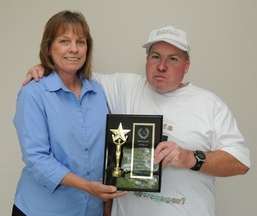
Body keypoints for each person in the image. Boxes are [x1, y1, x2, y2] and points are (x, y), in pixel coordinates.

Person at [23, 26, 250, 216]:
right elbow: (71, 70)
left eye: (173, 59)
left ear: (186, 66)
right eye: (155, 57)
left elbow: (240, 162)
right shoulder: (124, 87)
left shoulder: (209, 104)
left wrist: (191, 158)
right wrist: (45, 67)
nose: (162, 66)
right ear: (147, 59)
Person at [12, 10, 127, 216]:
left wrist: (106, 205)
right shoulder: (33, 93)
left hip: (91, 210)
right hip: (42, 210)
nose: (74, 49)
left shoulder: (99, 91)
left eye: (80, 42)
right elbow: (37, 158)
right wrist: (86, 186)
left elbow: (110, 149)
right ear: (48, 48)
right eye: (64, 41)